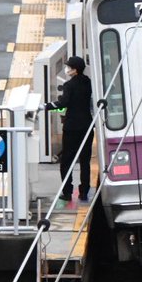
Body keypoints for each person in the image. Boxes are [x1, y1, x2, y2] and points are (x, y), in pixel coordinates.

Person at [44, 56, 95, 202]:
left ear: (74, 70)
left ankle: (67, 192)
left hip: (72, 127)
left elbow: (63, 103)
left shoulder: (69, 85)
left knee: (67, 161)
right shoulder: (88, 82)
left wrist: (47, 106)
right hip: (87, 126)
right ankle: (84, 192)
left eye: (69, 67)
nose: (67, 69)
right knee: (85, 161)